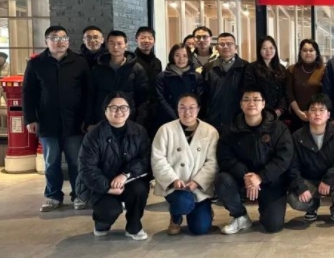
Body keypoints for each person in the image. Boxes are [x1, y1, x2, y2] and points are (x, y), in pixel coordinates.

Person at [23, 25, 91, 212]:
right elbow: (28, 94)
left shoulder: (79, 62)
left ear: (68, 41)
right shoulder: (36, 64)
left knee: (76, 161)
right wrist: (30, 118)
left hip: (75, 122)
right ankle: (53, 196)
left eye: (63, 38)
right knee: (51, 162)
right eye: (54, 38)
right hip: (47, 122)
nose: (59, 42)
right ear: (46, 41)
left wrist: (87, 118)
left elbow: (88, 92)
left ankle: (79, 194)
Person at [214, 87, 293, 234]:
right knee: (222, 180)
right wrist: (247, 177)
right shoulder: (231, 128)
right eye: (246, 99)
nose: (251, 103)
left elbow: (284, 158)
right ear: (241, 104)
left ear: (263, 104)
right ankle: (240, 216)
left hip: (270, 181)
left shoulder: (278, 128)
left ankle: (266, 211)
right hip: (241, 179)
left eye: (256, 99)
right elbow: (225, 157)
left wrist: (260, 177)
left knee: (273, 226)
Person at [78, 92, 151, 240]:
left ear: (129, 110)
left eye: (123, 107)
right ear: (105, 110)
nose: (119, 111)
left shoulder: (139, 131)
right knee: (110, 210)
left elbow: (145, 159)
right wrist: (107, 187)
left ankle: (134, 226)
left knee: (139, 189)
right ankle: (101, 223)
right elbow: (87, 168)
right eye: (113, 108)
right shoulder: (94, 135)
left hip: (128, 180)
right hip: (99, 184)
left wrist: (125, 174)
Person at [151, 93, 218, 236]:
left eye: (192, 107)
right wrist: (173, 180)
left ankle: (206, 208)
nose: (187, 112)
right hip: (175, 187)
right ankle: (175, 218)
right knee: (182, 202)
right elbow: (158, 159)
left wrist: (197, 182)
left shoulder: (210, 131)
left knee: (200, 228)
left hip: (199, 188)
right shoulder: (165, 130)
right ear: (177, 109)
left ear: (198, 109)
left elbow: (213, 162)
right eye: (182, 107)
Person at [287, 93, 334, 226]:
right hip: (309, 180)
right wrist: (301, 187)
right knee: (294, 199)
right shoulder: (297, 137)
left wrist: (328, 179)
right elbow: (292, 165)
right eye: (313, 110)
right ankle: (313, 206)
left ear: (328, 115)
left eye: (322, 110)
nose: (317, 114)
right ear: (307, 114)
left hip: (332, 179)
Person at [88, 30, 149, 129]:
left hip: (129, 119)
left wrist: (139, 122)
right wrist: (90, 121)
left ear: (126, 45)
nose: (115, 47)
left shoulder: (137, 69)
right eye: (112, 43)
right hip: (102, 119)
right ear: (107, 45)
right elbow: (91, 96)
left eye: (119, 43)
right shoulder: (98, 68)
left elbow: (143, 100)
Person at [201, 32, 249, 131]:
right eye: (222, 44)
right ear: (217, 48)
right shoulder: (208, 68)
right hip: (214, 120)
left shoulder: (246, 67)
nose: (226, 47)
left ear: (236, 47)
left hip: (239, 119)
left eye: (229, 44)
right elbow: (204, 96)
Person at [156, 43, 203, 125]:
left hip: (191, 117)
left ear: (189, 58)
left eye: (185, 56)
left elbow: (199, 98)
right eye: (177, 55)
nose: (181, 59)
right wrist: (175, 117)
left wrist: (188, 114)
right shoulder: (162, 76)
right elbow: (160, 99)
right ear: (172, 57)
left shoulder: (196, 76)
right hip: (168, 119)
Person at [286, 39, 326, 133]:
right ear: (300, 53)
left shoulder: (323, 70)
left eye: (311, 50)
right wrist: (299, 112)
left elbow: (325, 94)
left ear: (316, 53)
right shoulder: (292, 69)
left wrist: (314, 112)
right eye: (305, 50)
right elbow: (289, 93)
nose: (308, 53)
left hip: (318, 116)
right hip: (297, 116)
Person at [245, 36, 288, 118]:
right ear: (259, 50)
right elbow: (250, 91)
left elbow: (284, 92)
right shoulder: (252, 68)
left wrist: (280, 110)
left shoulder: (281, 69)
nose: (268, 51)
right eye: (264, 48)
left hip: (280, 113)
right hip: (259, 112)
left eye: (271, 48)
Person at [134, 26, 163, 136]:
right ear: (136, 40)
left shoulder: (157, 62)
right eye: (143, 38)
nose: (146, 40)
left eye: (150, 38)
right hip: (137, 109)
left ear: (154, 41)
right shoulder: (130, 61)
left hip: (155, 109)